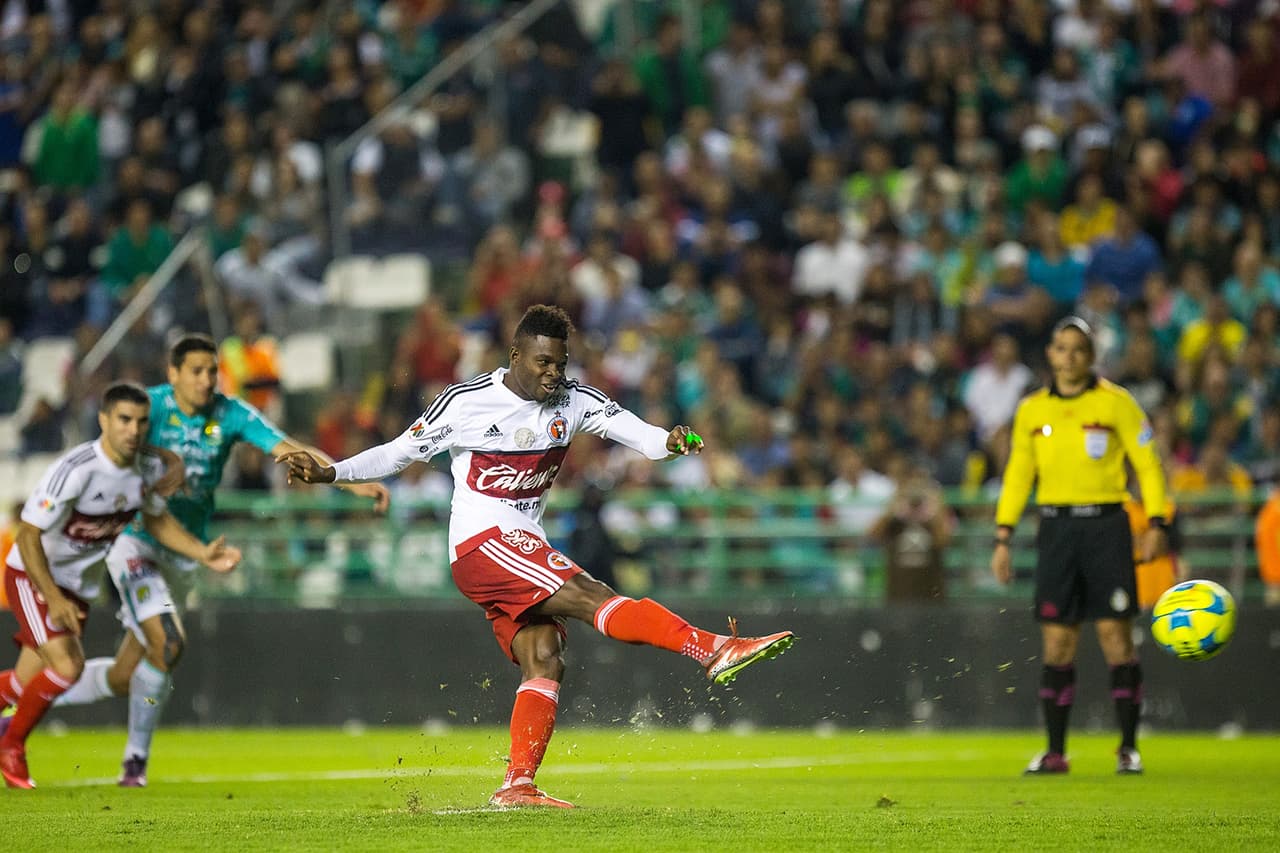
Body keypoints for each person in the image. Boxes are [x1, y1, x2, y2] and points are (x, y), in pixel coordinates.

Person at [278, 305, 794, 809]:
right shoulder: (466, 402)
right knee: (592, 596)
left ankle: (517, 785)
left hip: (522, 543)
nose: (553, 374)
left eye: (560, 363)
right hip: (482, 542)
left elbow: (634, 433)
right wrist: (332, 472)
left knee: (544, 654)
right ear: (515, 356)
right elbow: (397, 452)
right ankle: (711, 648)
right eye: (543, 362)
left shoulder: (575, 401)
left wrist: (670, 440)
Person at [50, 335, 390, 787]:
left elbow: (286, 447)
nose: (207, 380)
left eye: (212, 371)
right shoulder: (145, 411)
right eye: (196, 371)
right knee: (168, 643)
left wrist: (351, 479)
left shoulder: (230, 413)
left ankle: (27, 698)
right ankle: (134, 764)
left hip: (190, 552)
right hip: (134, 541)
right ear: (173, 374)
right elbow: (106, 461)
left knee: (124, 673)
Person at [0, 382, 243, 789]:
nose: (133, 430)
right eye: (124, 420)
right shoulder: (75, 470)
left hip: (74, 586)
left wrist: (202, 553)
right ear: (104, 421)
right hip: (32, 573)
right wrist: (54, 598)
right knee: (68, 666)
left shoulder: (145, 470)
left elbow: (155, 521)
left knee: (25, 684)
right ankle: (11, 747)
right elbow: (27, 536)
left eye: (141, 422)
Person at [990, 317, 1170, 776]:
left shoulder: (1117, 404)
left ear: (1090, 357)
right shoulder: (1031, 410)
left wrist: (1156, 521)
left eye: (1077, 349)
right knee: (1057, 644)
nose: (1068, 357)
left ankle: (1128, 748)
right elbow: (1017, 476)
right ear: (1050, 354)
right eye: (1060, 348)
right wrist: (1003, 537)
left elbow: (1147, 465)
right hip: (1056, 530)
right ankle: (1055, 752)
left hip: (1106, 526)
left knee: (1115, 638)